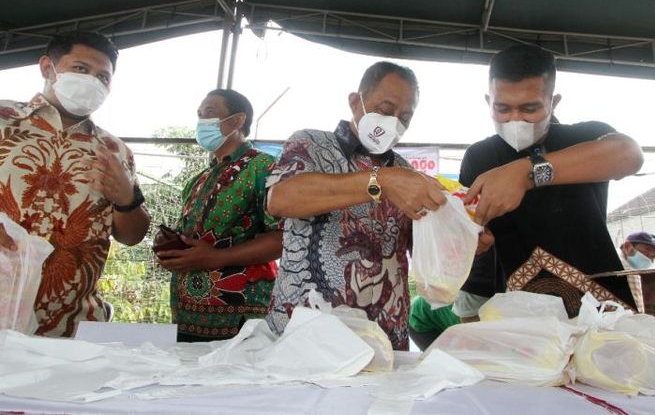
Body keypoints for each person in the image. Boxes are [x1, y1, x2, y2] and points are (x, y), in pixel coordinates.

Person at [265, 61, 448, 350]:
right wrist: (381, 182)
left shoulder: (405, 171)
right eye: (386, 110)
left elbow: (420, 248)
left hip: (384, 341)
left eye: (405, 118)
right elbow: (281, 199)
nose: (394, 123)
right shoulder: (311, 144)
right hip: (308, 339)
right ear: (354, 101)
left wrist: (459, 238)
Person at [455, 44, 643, 320]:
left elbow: (629, 155)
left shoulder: (586, 138)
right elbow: (468, 232)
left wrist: (527, 173)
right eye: (502, 108)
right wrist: (472, 241)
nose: (515, 119)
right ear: (488, 102)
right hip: (517, 313)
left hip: (599, 309)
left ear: (553, 103)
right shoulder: (480, 156)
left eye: (530, 108)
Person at [0, 31, 150, 337]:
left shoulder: (115, 151)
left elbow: (133, 235)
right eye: (81, 69)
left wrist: (127, 199)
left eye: (103, 77)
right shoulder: (4, 121)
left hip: (73, 326)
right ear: (47, 68)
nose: (92, 82)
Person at [156, 89, 282, 342]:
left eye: (210, 113)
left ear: (238, 120)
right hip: (186, 314)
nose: (202, 121)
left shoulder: (264, 167)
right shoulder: (199, 180)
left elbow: (282, 238)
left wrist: (217, 257)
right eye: (200, 115)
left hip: (239, 317)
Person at [619, 231, 655, 312]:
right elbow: (637, 314)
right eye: (647, 250)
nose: (649, 259)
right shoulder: (627, 270)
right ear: (627, 246)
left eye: (653, 256)